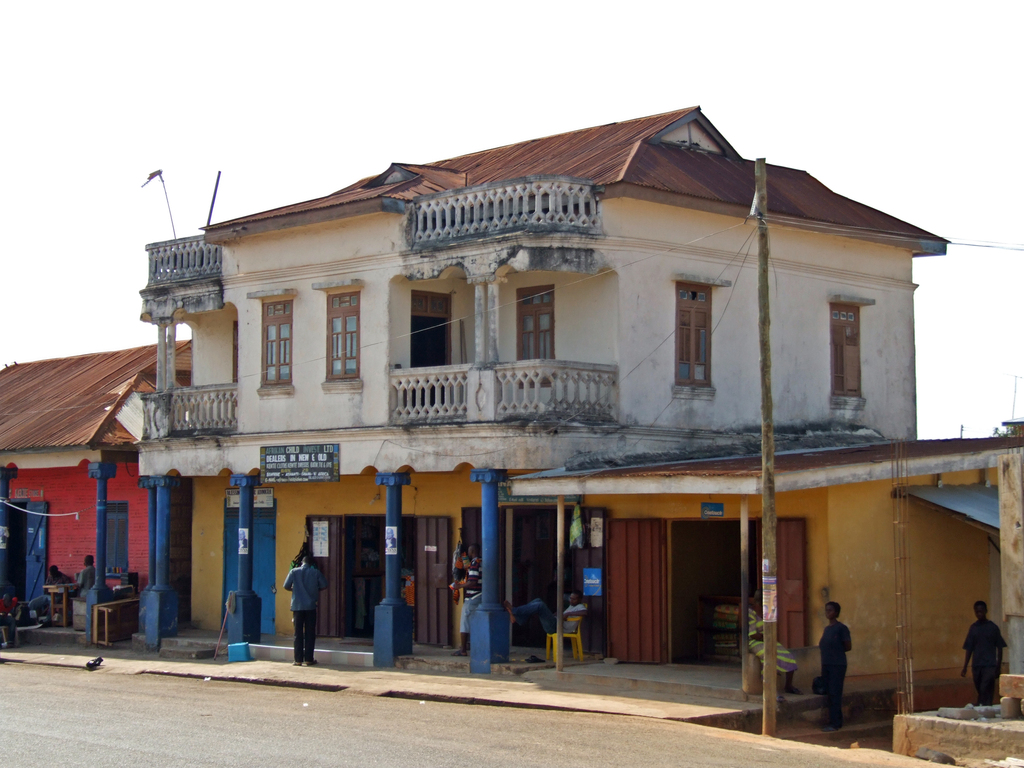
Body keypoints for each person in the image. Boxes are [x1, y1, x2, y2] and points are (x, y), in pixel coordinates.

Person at [748, 592, 801, 696]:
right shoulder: (751, 612)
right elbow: (753, 634)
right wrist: (765, 637)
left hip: (767, 639)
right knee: (768, 657)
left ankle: (788, 686)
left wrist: (768, 637)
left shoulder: (768, 611)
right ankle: (770, 690)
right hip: (754, 641)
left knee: (788, 656)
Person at [282, 555, 327, 667]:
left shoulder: (294, 571)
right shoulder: (315, 572)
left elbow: (286, 586)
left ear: (302, 562)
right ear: (311, 564)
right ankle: (308, 659)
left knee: (297, 633)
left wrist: (295, 590)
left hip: (297, 606)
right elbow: (324, 585)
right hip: (310, 606)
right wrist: (315, 590)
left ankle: (298, 660)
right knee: (310, 633)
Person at [961, 600, 1006, 706]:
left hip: (990, 665)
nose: (979, 614)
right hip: (977, 665)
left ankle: (981, 704)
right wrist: (965, 667)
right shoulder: (973, 628)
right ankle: (985, 706)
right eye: (977, 612)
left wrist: (998, 666)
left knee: (985, 687)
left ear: (986, 611)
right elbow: (969, 649)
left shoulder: (993, 628)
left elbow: (1000, 647)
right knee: (979, 687)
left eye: (981, 611)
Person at [819, 600, 852, 732]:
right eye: (826, 610)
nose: (827, 612)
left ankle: (835, 723)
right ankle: (832, 721)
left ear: (836, 612)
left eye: (830, 610)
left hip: (837, 665)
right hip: (826, 664)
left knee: (835, 693)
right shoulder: (827, 629)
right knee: (829, 693)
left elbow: (848, 646)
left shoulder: (841, 628)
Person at [503, 590, 587, 636]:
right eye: (570, 598)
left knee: (540, 605)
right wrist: (554, 614)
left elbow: (585, 612)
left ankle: (515, 610)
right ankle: (520, 619)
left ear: (579, 599)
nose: (571, 600)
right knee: (538, 600)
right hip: (555, 622)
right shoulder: (571, 606)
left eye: (574, 599)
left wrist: (568, 614)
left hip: (557, 627)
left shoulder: (580, 606)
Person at [452, 544, 481, 656]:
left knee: (464, 622)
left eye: (469, 551)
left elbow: (473, 581)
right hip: (481, 596)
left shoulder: (474, 563)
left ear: (472, 551)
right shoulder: (481, 561)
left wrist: (459, 586)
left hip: (473, 596)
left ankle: (463, 649)